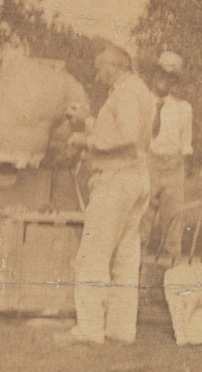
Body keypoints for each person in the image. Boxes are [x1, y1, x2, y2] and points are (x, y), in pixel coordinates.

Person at [59, 44, 155, 345]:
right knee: (126, 256)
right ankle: (121, 328)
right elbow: (125, 129)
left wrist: (86, 141)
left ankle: (89, 328)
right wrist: (88, 120)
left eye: (101, 69)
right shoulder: (140, 90)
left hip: (116, 180)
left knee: (93, 253)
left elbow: (124, 135)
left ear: (115, 66)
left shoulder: (125, 92)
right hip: (136, 178)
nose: (99, 76)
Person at [139, 51, 193, 260]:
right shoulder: (142, 103)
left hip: (173, 168)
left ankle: (172, 282)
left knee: (173, 228)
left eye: (170, 76)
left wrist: (176, 172)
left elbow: (185, 147)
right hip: (147, 163)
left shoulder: (183, 108)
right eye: (160, 73)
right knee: (141, 225)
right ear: (153, 74)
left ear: (175, 80)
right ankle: (136, 278)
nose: (164, 78)